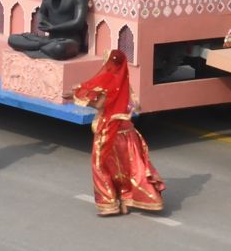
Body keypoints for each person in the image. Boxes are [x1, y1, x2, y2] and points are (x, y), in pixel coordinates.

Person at [71, 50, 166, 215]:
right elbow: (136, 107)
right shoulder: (125, 84)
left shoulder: (107, 82)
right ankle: (127, 200)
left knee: (101, 166)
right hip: (128, 133)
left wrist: (80, 96)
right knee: (128, 168)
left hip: (108, 132)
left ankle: (109, 203)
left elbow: (101, 105)